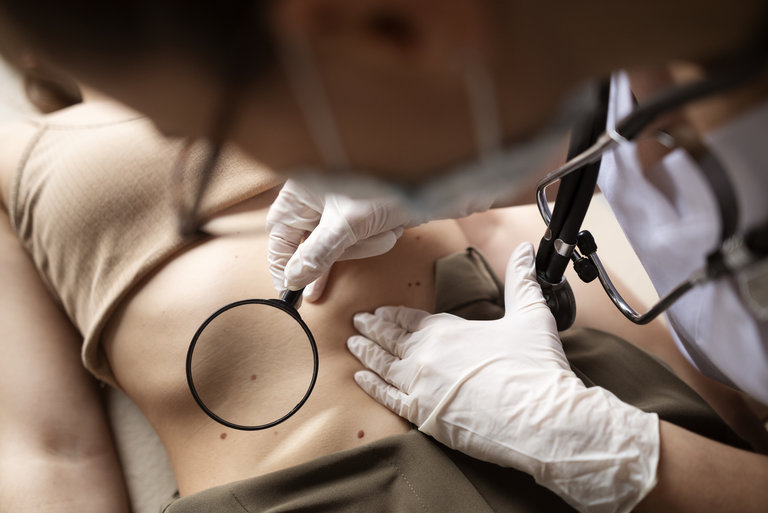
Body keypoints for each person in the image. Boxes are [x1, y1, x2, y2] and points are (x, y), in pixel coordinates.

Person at [0, 1, 767, 511]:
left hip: (580, 398)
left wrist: (617, 450)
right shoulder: (635, 77)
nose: (253, 167)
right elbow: (42, 452)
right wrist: (481, 178)